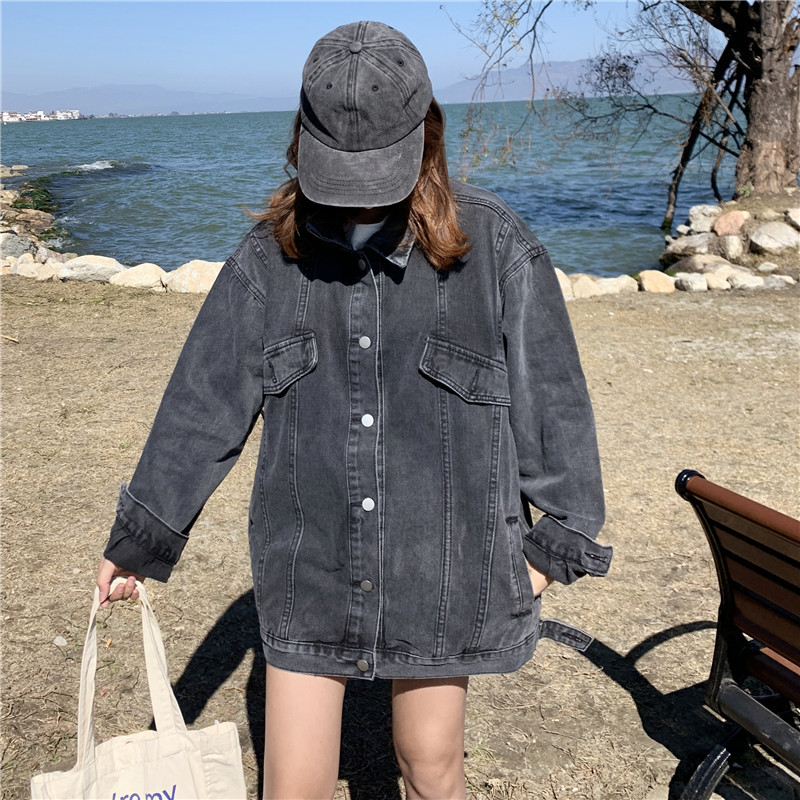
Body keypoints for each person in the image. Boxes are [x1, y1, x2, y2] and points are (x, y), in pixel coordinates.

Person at [97, 20, 611, 800]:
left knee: (429, 763)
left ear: (427, 133)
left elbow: (556, 406)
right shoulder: (268, 261)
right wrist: (142, 537)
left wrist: (548, 553)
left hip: (444, 566)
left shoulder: (496, 248)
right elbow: (202, 403)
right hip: (311, 565)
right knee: (293, 785)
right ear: (303, 142)